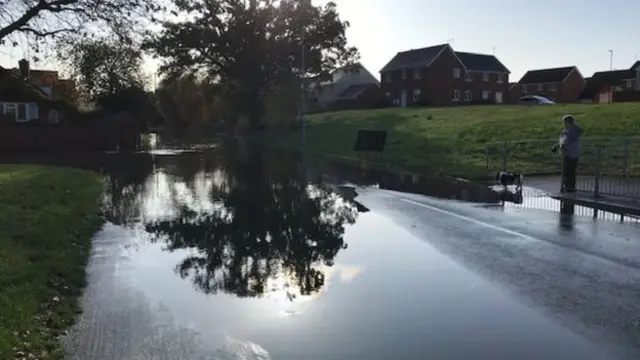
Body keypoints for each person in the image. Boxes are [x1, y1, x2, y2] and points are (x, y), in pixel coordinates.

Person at [551, 115, 583, 193]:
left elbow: (567, 141)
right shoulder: (568, 130)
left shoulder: (572, 131)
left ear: (568, 122)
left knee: (570, 171)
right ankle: (567, 186)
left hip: (571, 154)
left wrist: (562, 147)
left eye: (564, 122)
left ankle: (570, 187)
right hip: (568, 153)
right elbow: (563, 140)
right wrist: (557, 146)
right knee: (567, 171)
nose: (564, 124)